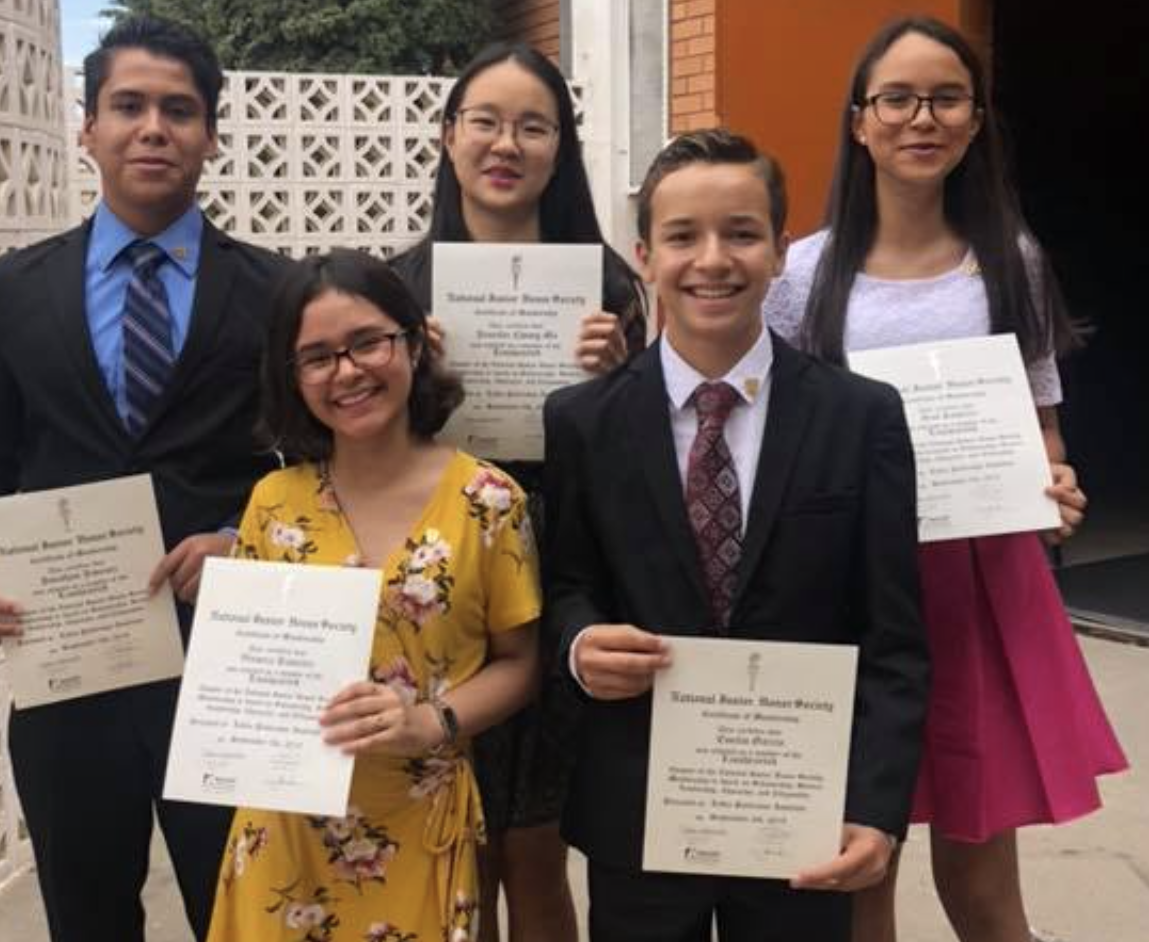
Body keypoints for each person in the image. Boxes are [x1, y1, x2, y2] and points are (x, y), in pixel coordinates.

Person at [761, 17, 1128, 942]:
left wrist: (1055, 483)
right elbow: (773, 427)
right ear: (859, 121)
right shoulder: (804, 273)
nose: (921, 118)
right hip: (846, 588)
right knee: (858, 877)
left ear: (975, 121)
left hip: (976, 583)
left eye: (946, 97)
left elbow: (1041, 429)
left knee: (983, 885)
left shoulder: (1013, 260)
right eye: (898, 98)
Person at [542, 128, 929, 942]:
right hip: (641, 811)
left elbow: (893, 638)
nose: (712, 259)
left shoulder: (862, 419)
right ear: (644, 256)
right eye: (683, 236)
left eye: (741, 233)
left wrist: (876, 808)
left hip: (800, 807)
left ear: (781, 252)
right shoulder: (582, 422)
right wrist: (580, 647)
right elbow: (565, 584)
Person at [0, 17, 287, 942]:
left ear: (211, 132)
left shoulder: (283, 293)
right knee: (86, 919)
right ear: (87, 128)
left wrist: (251, 544)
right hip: (67, 667)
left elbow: (335, 476)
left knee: (245, 914)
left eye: (178, 109)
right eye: (128, 106)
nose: (153, 128)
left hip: (234, 661)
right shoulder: (12, 292)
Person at [203, 249, 541, 942]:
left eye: (368, 342)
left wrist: (432, 722)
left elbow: (521, 663)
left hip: (421, 825)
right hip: (284, 836)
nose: (348, 371)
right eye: (318, 356)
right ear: (292, 378)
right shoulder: (273, 504)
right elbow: (237, 677)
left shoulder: (488, 501)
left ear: (413, 345)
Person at [391, 40, 647, 942]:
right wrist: (405, 380)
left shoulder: (609, 285)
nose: (507, 144)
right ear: (450, 136)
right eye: (487, 123)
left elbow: (646, 457)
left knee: (534, 847)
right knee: (447, 844)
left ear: (560, 147)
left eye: (533, 126)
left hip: (558, 578)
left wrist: (620, 381)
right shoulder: (400, 286)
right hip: (440, 584)